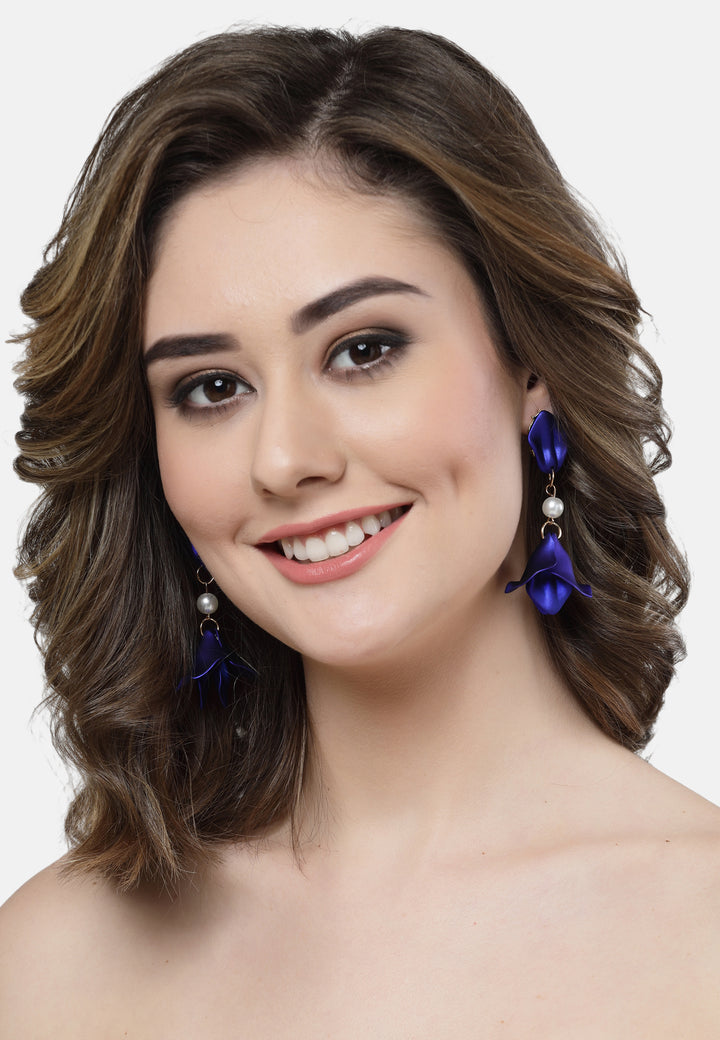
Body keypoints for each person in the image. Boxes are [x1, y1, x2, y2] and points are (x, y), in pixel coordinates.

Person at [1, 24, 718, 1037]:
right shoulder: (51, 963)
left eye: (364, 349)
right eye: (212, 387)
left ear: (531, 366)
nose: (285, 458)